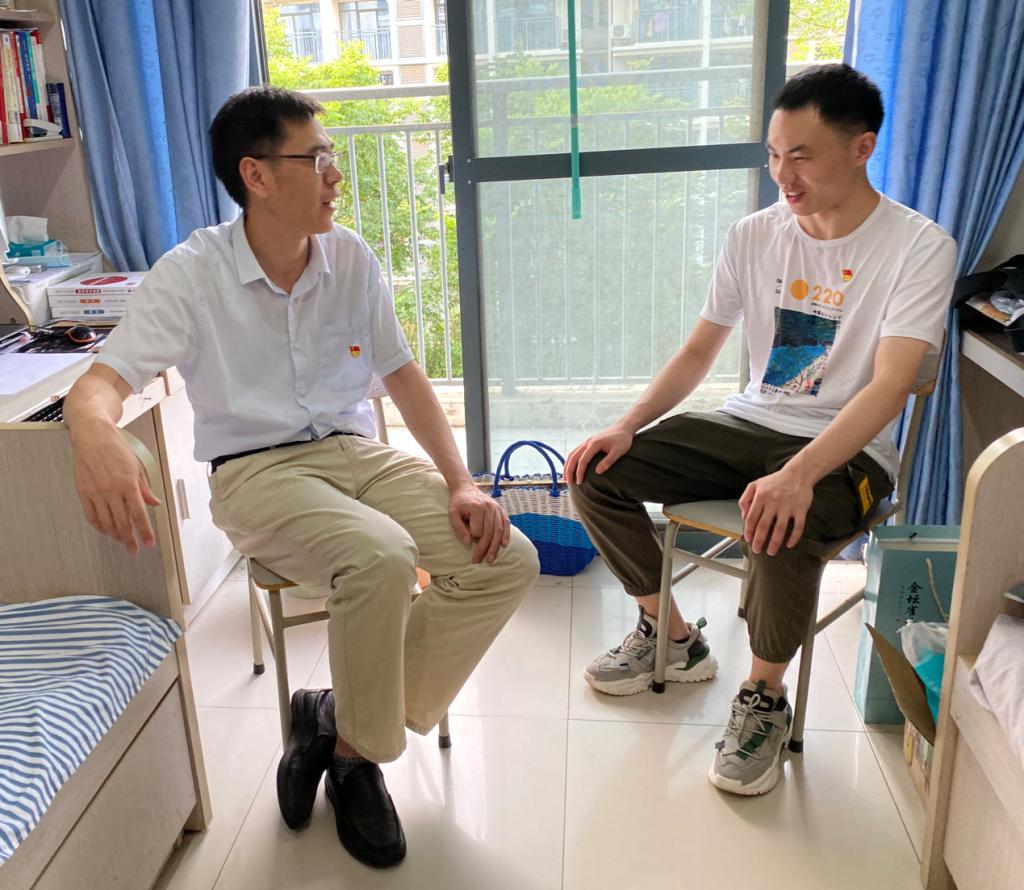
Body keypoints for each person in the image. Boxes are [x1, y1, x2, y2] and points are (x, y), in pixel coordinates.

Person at [63, 86, 539, 868]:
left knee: (506, 558)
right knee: (380, 556)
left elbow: (403, 373)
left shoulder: (347, 256)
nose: (335, 175)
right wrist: (93, 433)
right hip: (255, 472)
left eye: (331, 157)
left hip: (354, 454)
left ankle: (339, 727)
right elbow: (99, 384)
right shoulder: (192, 273)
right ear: (256, 175)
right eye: (316, 159)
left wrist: (461, 481)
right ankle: (360, 766)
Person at [566, 64, 956, 797]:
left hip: (849, 449)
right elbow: (698, 352)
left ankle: (763, 698)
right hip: (750, 421)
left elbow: (891, 385)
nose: (782, 174)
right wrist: (625, 426)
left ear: (862, 147)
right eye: (774, 154)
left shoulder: (919, 246)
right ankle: (672, 638)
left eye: (801, 155)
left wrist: (799, 473)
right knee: (594, 471)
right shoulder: (755, 234)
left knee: (782, 518)